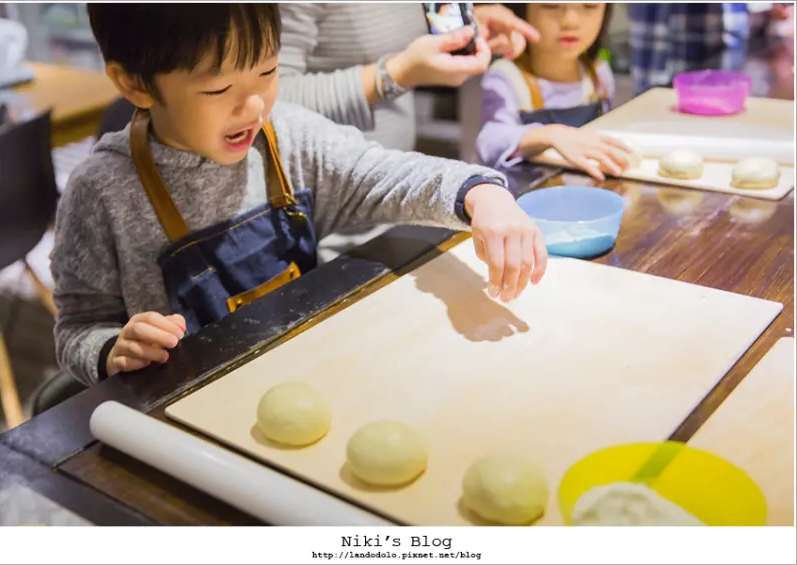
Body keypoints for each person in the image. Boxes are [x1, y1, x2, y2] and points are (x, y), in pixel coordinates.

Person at [51, 4, 548, 387]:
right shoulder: (102, 192)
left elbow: (387, 175)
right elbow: (78, 327)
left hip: (304, 374)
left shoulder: (287, 138)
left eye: (267, 73)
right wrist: (111, 350)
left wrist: (480, 194)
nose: (253, 106)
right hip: (180, 412)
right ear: (134, 83)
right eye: (219, 90)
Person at [277, 3, 540, 151]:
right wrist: (396, 74)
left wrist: (467, 25)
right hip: (321, 205)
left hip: (392, 180)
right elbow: (273, 101)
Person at [476, 3, 632, 181]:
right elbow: (490, 142)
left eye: (589, 6)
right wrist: (550, 135)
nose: (570, 22)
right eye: (551, 6)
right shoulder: (508, 76)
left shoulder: (599, 74)